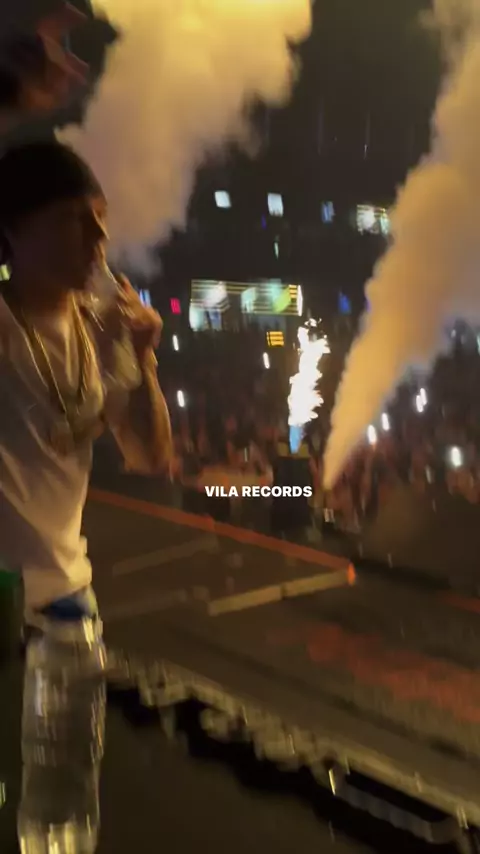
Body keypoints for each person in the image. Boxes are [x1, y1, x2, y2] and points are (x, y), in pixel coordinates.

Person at [0, 138, 172, 626]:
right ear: (13, 230)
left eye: (101, 215)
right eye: (72, 218)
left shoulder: (102, 328)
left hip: (72, 594)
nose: (99, 233)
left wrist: (143, 357)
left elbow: (150, 456)